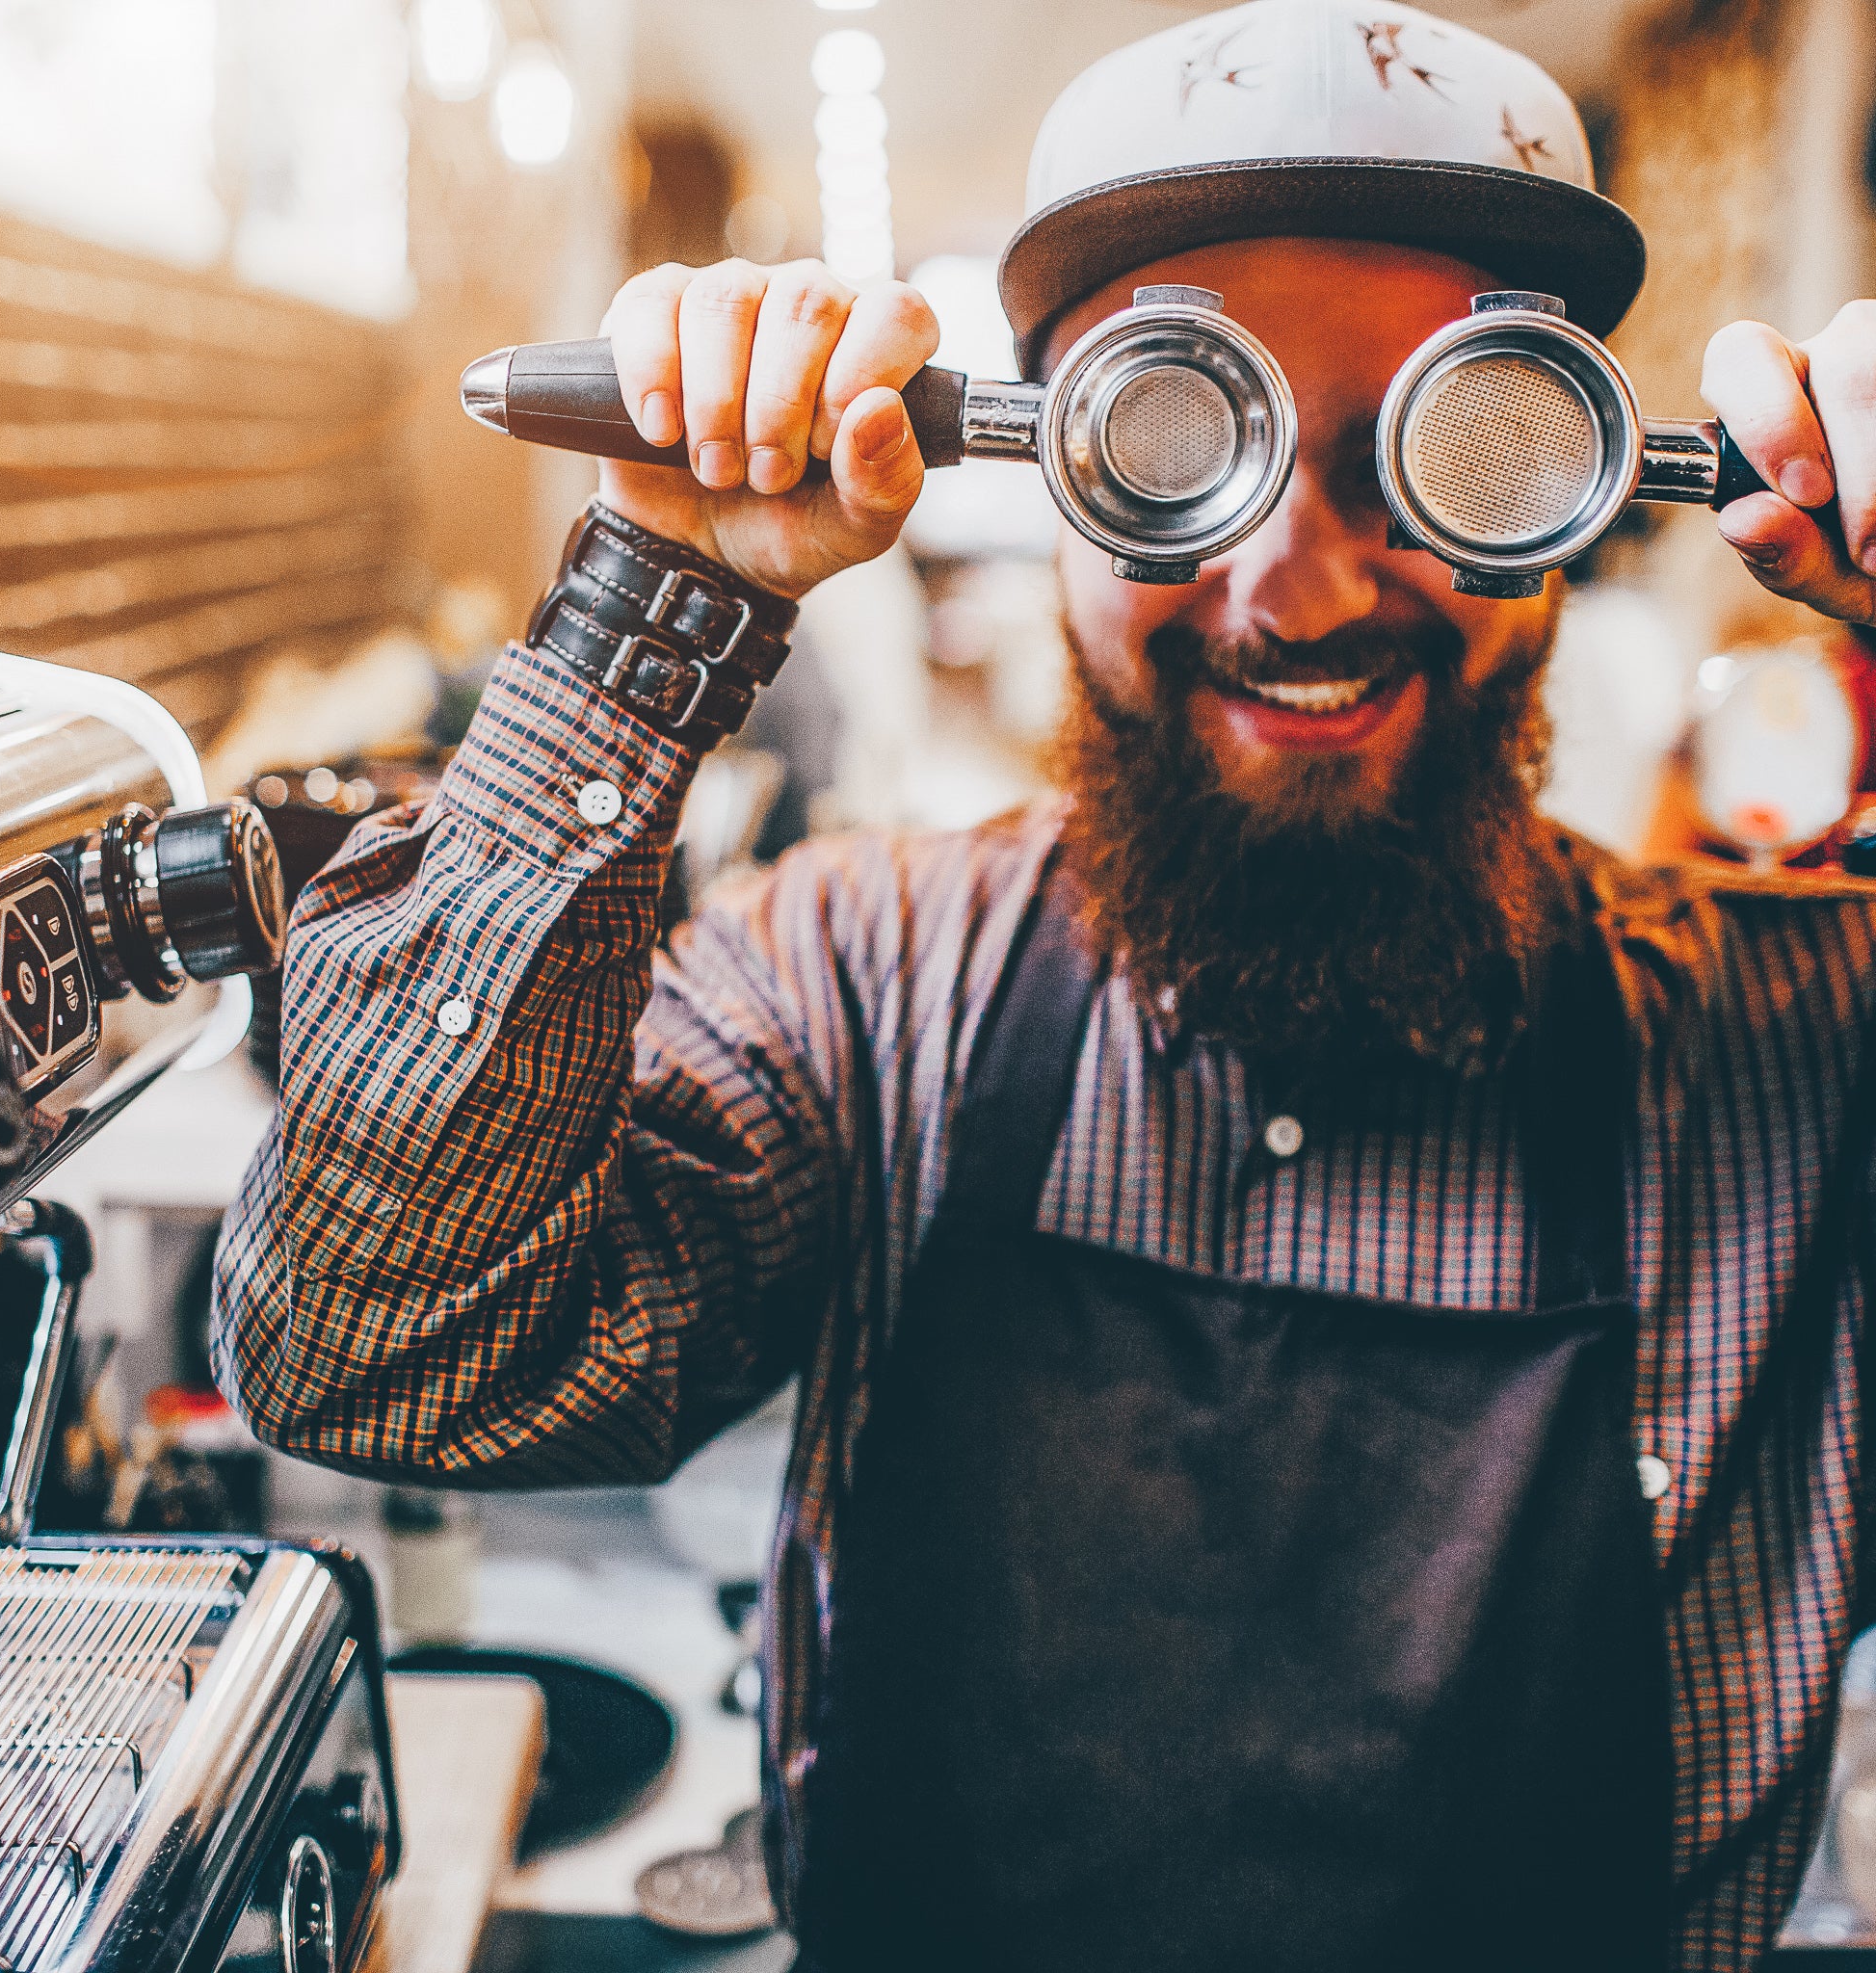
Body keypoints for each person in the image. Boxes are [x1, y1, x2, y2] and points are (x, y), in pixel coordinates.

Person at [212, 4, 1876, 1966]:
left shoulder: (1799, 1055)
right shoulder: (871, 977)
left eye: (1442, 454)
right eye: (1179, 441)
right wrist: (668, 590)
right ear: (1054, 461)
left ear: (1566, 485)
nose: (1298, 589)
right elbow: (375, 1353)